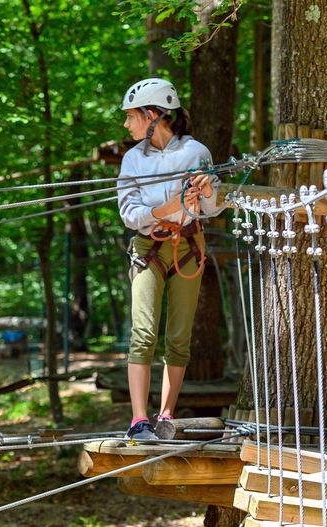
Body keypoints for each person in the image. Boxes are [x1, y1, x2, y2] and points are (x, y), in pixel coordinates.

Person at [116, 78, 217, 441]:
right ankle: (138, 420)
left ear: (153, 115)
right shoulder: (132, 159)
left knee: (179, 337)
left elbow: (211, 207)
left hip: (188, 247)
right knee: (142, 333)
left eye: (131, 117)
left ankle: (165, 414)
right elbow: (130, 214)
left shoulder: (196, 153)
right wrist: (169, 207)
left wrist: (206, 193)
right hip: (148, 250)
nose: (127, 125)